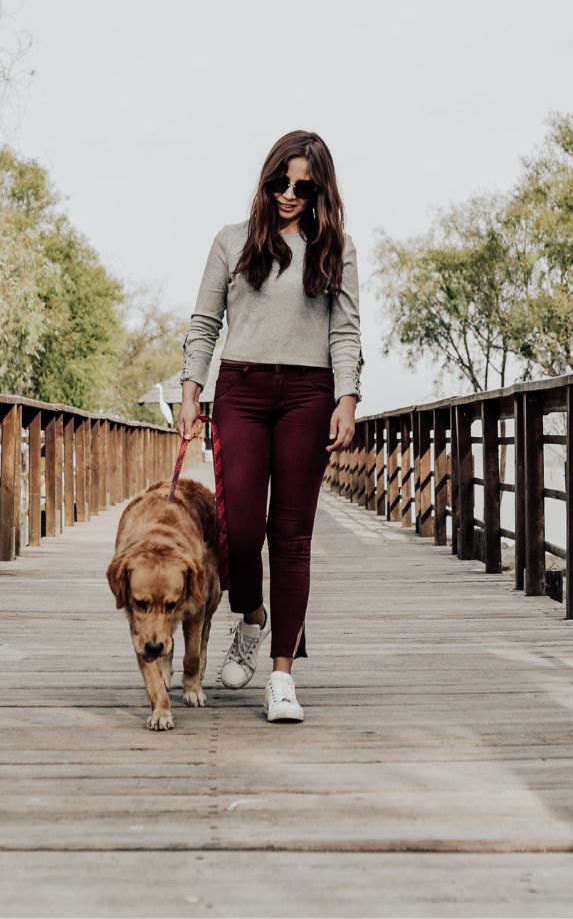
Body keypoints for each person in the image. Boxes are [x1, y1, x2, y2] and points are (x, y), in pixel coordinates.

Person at [177, 129, 363, 723]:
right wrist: (190, 391)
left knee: (291, 536)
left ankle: (282, 674)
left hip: (309, 394)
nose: (289, 193)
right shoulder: (231, 242)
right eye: (280, 181)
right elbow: (205, 322)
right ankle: (251, 616)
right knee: (240, 532)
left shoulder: (336, 249)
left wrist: (347, 398)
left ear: (319, 192)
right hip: (242, 391)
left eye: (303, 187)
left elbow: (345, 331)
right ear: (266, 178)